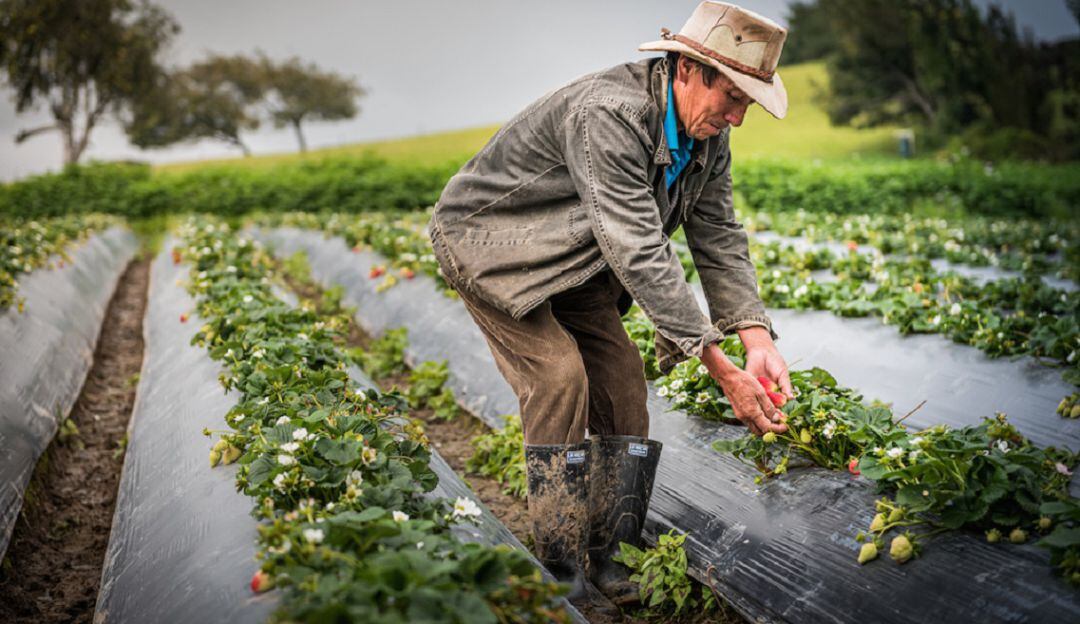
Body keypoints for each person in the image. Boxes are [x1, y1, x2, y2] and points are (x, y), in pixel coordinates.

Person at [428, 1, 793, 611]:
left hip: (579, 257)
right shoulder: (609, 114)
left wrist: (756, 339)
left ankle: (609, 552)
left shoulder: (709, 139)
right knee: (558, 377)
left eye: (746, 105)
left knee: (624, 382)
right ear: (686, 69)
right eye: (732, 98)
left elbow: (719, 236)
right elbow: (640, 249)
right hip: (493, 244)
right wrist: (719, 367)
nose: (736, 117)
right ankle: (560, 564)